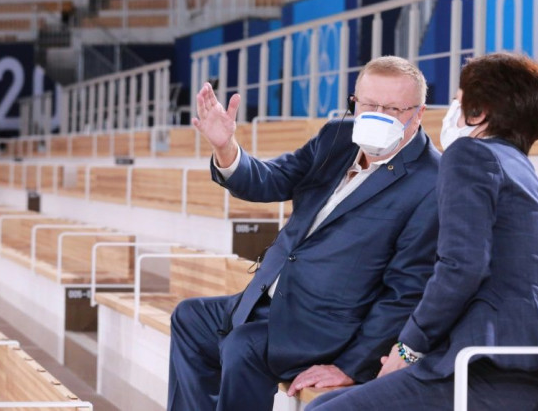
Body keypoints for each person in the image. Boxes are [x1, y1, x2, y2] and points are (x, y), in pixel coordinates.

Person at [168, 56, 441, 411]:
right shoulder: (337, 137)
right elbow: (272, 178)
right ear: (353, 103)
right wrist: (226, 148)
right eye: (370, 105)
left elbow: (405, 293)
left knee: (241, 347)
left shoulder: (431, 180)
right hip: (271, 299)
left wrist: (350, 365)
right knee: (189, 319)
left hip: (326, 329)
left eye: (393, 108)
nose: (379, 115)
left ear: (418, 113)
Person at [308, 52, 538, 411]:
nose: (451, 110)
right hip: (520, 369)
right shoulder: (521, 171)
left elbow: (461, 266)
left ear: (478, 113)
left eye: (457, 101)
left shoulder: (470, 154)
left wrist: (407, 349)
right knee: (327, 404)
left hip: (493, 371)